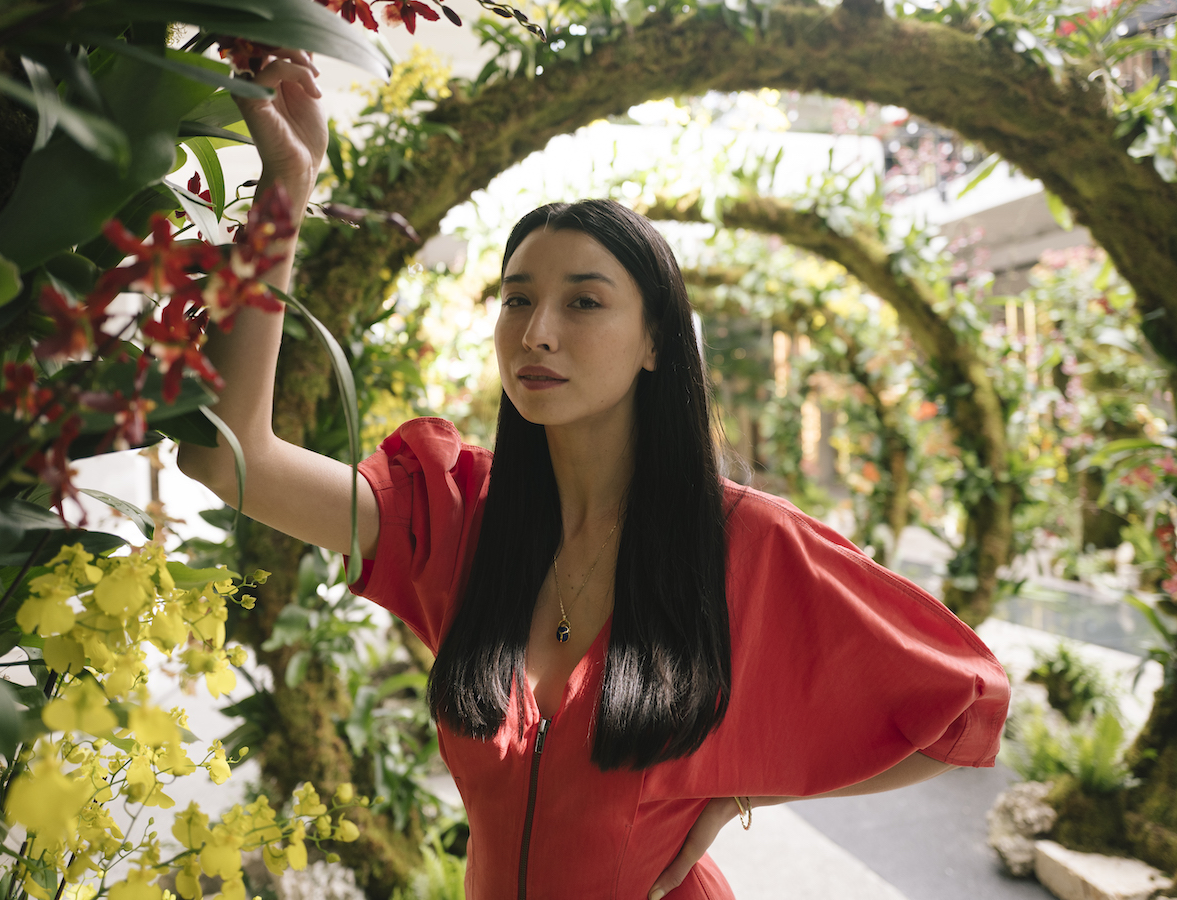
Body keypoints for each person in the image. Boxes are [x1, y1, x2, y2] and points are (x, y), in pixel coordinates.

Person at [178, 51, 1011, 900]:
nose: (537, 332)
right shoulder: (458, 516)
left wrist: (737, 793)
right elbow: (226, 456)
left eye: (583, 301)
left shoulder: (742, 543)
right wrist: (286, 186)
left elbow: (963, 707)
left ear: (656, 341)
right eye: (516, 298)